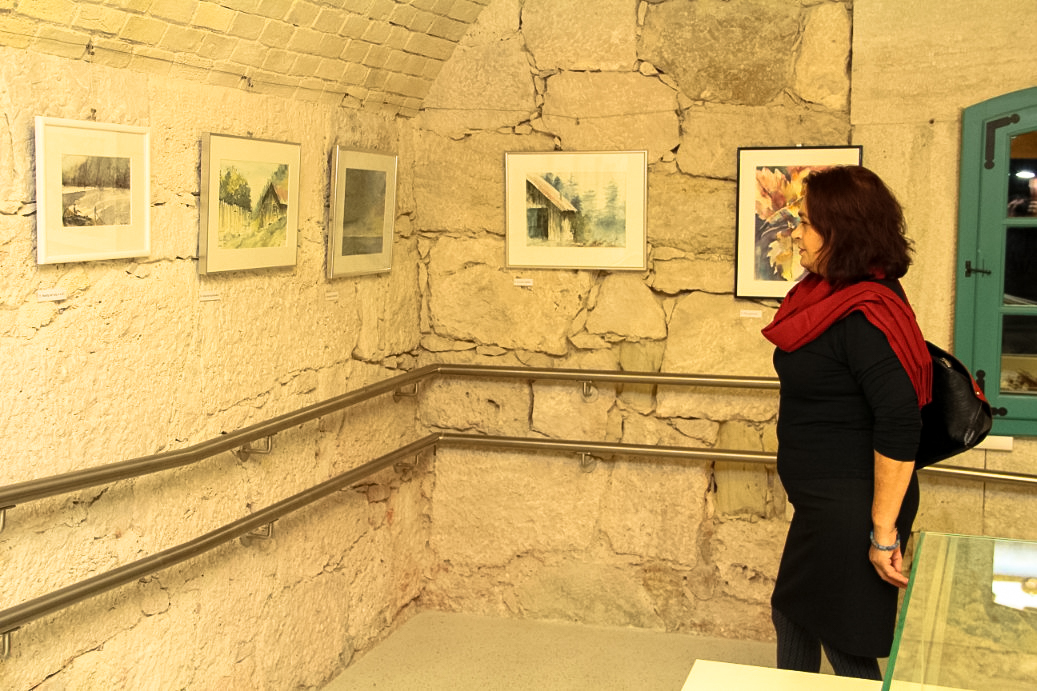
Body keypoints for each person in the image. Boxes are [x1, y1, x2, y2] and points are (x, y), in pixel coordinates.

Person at [760, 165, 932, 680]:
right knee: (794, 613)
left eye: (808, 223)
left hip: (854, 507)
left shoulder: (866, 313)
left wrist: (882, 534)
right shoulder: (830, 296)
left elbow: (900, 422)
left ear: (843, 231)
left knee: (844, 640)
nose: (797, 233)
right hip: (824, 503)